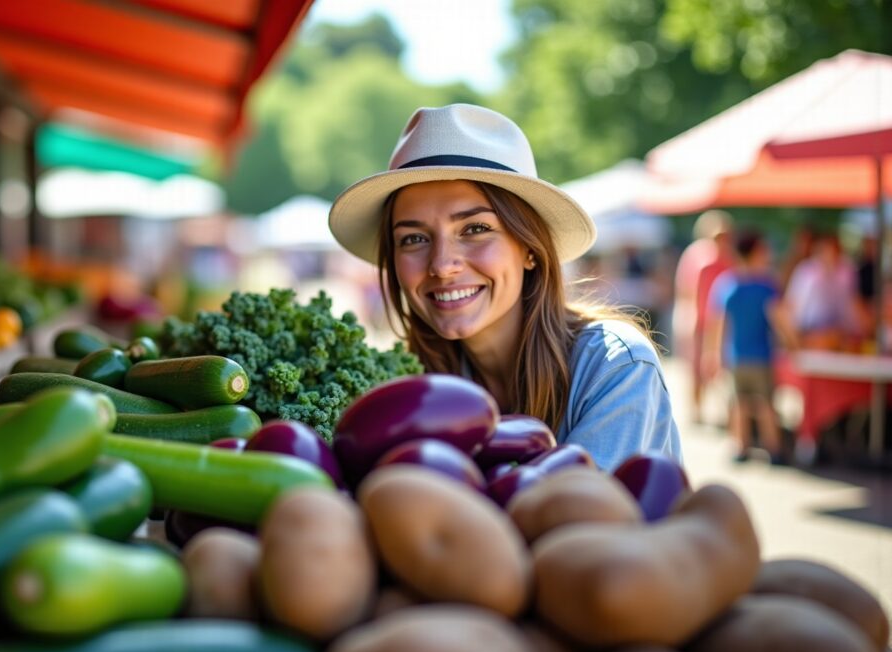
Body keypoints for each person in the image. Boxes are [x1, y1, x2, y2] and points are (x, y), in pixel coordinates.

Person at [327, 104, 681, 471]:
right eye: (414, 238)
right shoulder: (406, 387)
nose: (442, 265)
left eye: (475, 229)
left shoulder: (615, 367)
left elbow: (581, 519)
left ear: (529, 247)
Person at [702, 231, 798, 464]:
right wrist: (794, 344)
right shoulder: (766, 286)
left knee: (739, 403)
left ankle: (740, 446)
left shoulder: (727, 285)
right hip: (761, 355)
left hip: (735, 356)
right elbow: (780, 320)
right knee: (765, 402)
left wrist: (712, 354)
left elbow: (718, 323)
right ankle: (773, 448)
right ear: (755, 253)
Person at [672, 209, 734, 424]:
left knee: (718, 366)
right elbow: (687, 290)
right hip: (698, 319)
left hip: (717, 320)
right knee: (696, 367)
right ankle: (697, 409)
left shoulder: (727, 258)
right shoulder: (697, 255)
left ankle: (720, 410)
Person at [783, 232, 863, 350]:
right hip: (808, 332)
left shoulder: (845, 273)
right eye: (825, 252)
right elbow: (793, 306)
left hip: (836, 333)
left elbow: (848, 309)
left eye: (833, 252)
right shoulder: (806, 271)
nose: (828, 256)